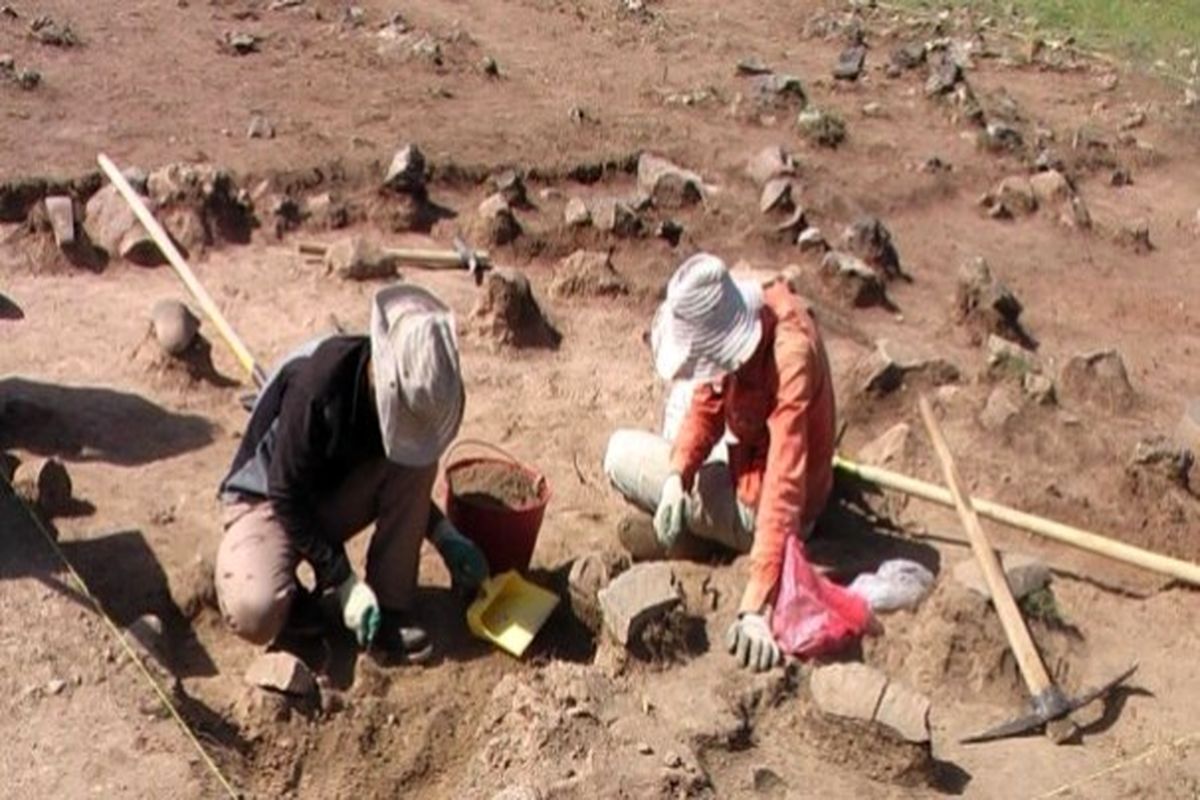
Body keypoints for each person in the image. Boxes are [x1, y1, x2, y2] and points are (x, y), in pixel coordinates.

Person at [214, 283, 489, 662]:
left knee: (417, 461)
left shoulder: (406, 394)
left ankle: (391, 608)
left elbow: (398, 481)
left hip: (329, 493)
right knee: (254, 610)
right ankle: (291, 605)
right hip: (266, 501)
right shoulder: (318, 387)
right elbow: (286, 492)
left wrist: (443, 534)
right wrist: (342, 580)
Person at [604, 253, 838, 672]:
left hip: (769, 514)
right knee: (682, 408)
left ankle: (695, 541)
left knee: (620, 455)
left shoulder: (791, 362)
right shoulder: (752, 309)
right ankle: (692, 527)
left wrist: (756, 607)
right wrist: (679, 474)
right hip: (747, 461)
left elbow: (783, 491)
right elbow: (707, 405)